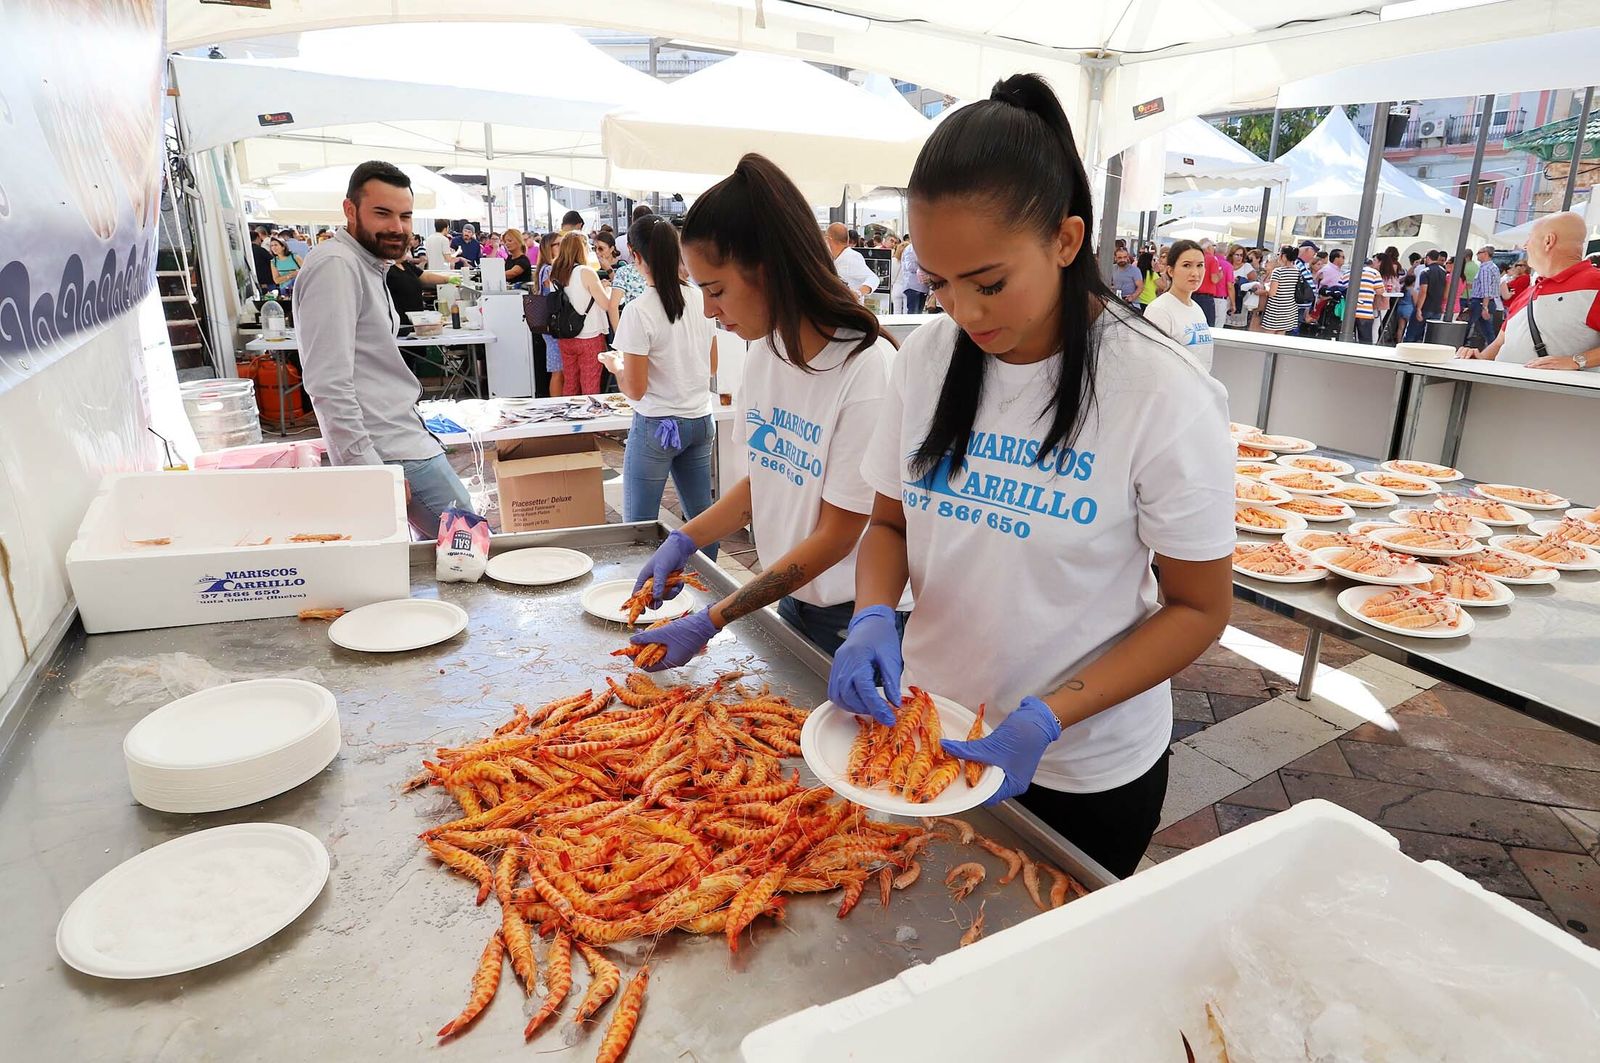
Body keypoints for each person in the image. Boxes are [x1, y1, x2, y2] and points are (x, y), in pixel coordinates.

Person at [825, 74, 1234, 879]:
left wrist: (1049, 714)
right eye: (938, 283)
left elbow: (1198, 606)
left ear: (1066, 239)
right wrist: (873, 613)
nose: (964, 313)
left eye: (988, 282)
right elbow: (892, 523)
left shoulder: (1160, 391)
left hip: (1085, 771)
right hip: (930, 736)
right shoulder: (929, 360)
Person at [622, 153, 897, 663]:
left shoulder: (866, 370)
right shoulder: (765, 351)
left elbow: (839, 533)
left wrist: (715, 617)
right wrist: (685, 538)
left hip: (854, 619)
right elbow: (764, 481)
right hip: (790, 596)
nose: (708, 310)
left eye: (717, 289)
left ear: (768, 271)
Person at [295, 160, 472, 534]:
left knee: (452, 555)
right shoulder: (337, 266)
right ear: (350, 210)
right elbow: (328, 384)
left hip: (402, 440)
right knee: (470, 546)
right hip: (391, 450)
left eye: (405, 216)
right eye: (382, 213)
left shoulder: (368, 264)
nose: (397, 227)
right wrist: (372, 472)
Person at [612, 214, 718, 529]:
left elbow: (634, 389)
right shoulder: (701, 298)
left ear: (635, 255)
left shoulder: (638, 310)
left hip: (657, 425)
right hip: (699, 420)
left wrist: (615, 366)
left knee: (637, 528)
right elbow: (712, 366)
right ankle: (705, 578)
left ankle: (643, 580)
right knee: (703, 518)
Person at [1460, 211, 1600, 370]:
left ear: (1548, 241)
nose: (1525, 245)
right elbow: (1500, 343)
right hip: (1503, 390)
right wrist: (1479, 358)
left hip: (1552, 393)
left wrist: (1576, 361)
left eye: (1530, 238)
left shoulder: (1595, 284)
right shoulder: (1531, 291)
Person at [550, 230, 619, 395]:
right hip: (589, 334)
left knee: (570, 383)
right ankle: (589, 418)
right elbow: (606, 304)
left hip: (565, 335)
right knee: (590, 384)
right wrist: (606, 288)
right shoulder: (586, 272)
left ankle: (570, 417)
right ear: (582, 248)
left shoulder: (556, 271)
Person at [1142, 239, 1215, 371]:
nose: (1195, 273)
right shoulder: (1159, 310)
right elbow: (1153, 366)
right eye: (1187, 265)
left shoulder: (1197, 309)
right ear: (1170, 271)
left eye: (1200, 265)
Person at [535, 232, 565, 397]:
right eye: (558, 244)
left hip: (550, 324)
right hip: (555, 325)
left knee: (558, 369)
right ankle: (557, 405)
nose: (562, 247)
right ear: (549, 248)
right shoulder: (550, 269)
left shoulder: (543, 268)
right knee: (558, 370)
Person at [827, 222, 880, 302]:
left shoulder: (852, 257)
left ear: (829, 239)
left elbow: (873, 278)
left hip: (850, 310)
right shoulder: (831, 258)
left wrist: (857, 294)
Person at [596, 229, 646, 312]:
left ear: (611, 249)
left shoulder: (622, 265)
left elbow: (626, 286)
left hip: (620, 308)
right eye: (595, 248)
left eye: (601, 249)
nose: (597, 252)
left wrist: (609, 270)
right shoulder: (594, 268)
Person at [1260, 245, 1303, 334]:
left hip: (1276, 308)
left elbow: (1272, 293)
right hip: (1290, 309)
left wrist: (1267, 287)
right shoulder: (1297, 271)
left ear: (1283, 256)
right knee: (1280, 336)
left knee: (1268, 337)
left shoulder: (1278, 271)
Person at [1466, 245, 1503, 348]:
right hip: (1488, 301)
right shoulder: (1493, 267)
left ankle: (1460, 344)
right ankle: (1493, 348)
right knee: (1487, 329)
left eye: (1479, 252)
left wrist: (1484, 307)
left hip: (1481, 302)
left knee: (1468, 325)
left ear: (1486, 254)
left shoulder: (1485, 268)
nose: (1477, 254)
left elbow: (1486, 289)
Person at [1410, 250, 1448, 342]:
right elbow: (1445, 293)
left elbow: (1423, 291)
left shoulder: (1425, 272)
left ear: (1427, 258)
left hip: (1425, 307)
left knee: (1412, 335)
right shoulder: (1444, 272)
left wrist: (1418, 309)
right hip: (1437, 308)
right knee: (1429, 338)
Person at [1351, 253, 1387, 344]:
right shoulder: (1374, 273)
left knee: (1350, 337)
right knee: (1365, 340)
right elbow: (1380, 291)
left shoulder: (1348, 272)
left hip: (1348, 312)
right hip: (1365, 310)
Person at [899, 239, 929, 314]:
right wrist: (924, 267)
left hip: (923, 286)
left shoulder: (923, 247)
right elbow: (910, 266)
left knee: (918, 313)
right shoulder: (911, 248)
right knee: (913, 313)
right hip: (913, 286)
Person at [1294, 240, 1318, 332]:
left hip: (1302, 305)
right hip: (1299, 304)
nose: (1314, 255)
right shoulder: (1298, 264)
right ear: (1307, 250)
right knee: (1294, 329)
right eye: (1313, 252)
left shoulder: (1302, 264)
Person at [1136, 249, 1164, 314]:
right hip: (1149, 302)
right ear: (1148, 261)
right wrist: (1161, 272)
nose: (1154, 262)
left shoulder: (1137, 272)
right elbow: (1164, 286)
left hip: (1137, 302)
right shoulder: (1152, 274)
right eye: (1153, 260)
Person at [250, 227, 274, 292]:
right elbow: (272, 261)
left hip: (255, 280)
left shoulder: (247, 250)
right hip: (267, 280)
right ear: (258, 238)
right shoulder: (261, 250)